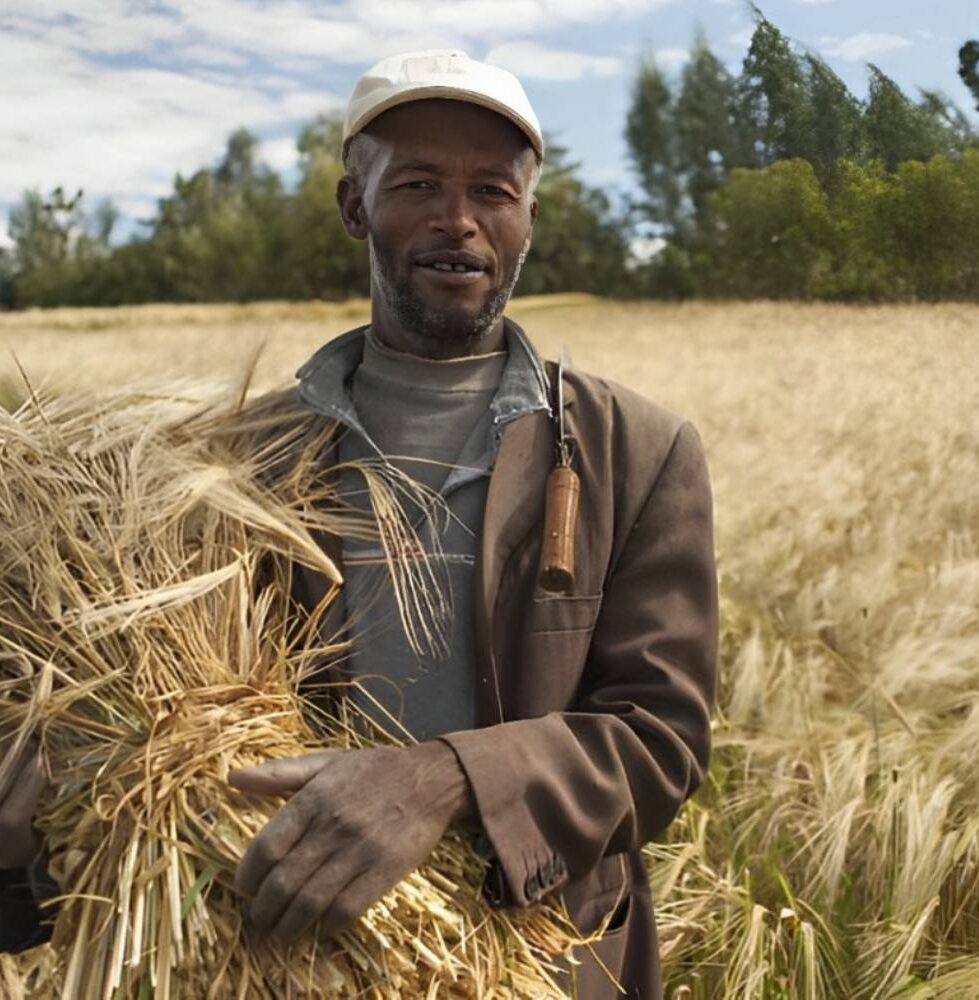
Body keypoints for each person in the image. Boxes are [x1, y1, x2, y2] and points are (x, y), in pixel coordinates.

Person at [0, 50, 718, 999]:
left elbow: (659, 737)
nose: (456, 220)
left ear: (529, 218)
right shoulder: (220, 465)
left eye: (492, 192)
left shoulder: (636, 450)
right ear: (354, 207)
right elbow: (128, 717)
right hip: (283, 955)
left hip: (544, 959)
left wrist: (441, 779)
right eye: (417, 183)